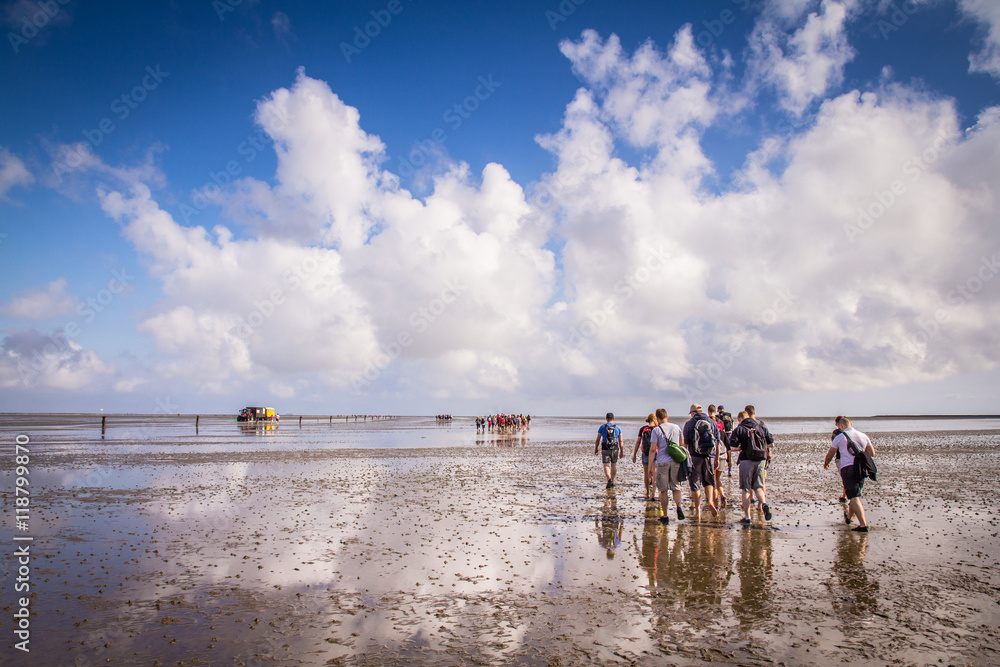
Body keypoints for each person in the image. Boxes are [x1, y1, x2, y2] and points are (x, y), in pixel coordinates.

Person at [824, 416, 875, 532]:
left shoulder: (840, 437)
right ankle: (850, 519)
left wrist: (826, 463)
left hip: (848, 468)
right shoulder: (863, 436)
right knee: (854, 495)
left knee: (854, 497)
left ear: (841, 426)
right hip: (861, 469)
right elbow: (872, 453)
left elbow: (830, 454)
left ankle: (863, 525)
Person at [730, 405, 774, 524]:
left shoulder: (740, 428)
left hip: (746, 460)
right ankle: (763, 503)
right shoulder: (761, 426)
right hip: (760, 460)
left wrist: (741, 448)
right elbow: (771, 443)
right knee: (758, 487)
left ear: (740, 419)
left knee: (746, 489)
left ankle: (747, 517)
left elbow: (732, 446)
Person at [682, 403, 721, 521]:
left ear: (693, 413)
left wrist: (686, 459)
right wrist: (717, 458)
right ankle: (710, 501)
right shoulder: (712, 423)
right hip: (709, 456)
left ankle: (698, 512)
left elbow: (686, 444)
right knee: (709, 481)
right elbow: (718, 442)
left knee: (695, 483)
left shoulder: (689, 424)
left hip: (695, 457)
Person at [647, 408, 686, 524]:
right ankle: (678, 506)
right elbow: (682, 445)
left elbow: (653, 449)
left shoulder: (656, 430)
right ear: (667, 417)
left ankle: (665, 515)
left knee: (663, 490)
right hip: (675, 461)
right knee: (676, 487)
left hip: (662, 462)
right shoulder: (676, 427)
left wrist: (650, 466)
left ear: (657, 419)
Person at [632, 413, 657, 501]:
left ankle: (647, 491)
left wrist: (634, 454)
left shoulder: (643, 429)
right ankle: (653, 492)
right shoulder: (657, 429)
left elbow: (638, 442)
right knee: (654, 472)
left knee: (646, 473)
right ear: (654, 419)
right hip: (655, 453)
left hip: (645, 453)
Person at [595, 412, 623, 488]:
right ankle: (612, 480)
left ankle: (609, 479)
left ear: (606, 418)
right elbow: (620, 440)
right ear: (613, 418)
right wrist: (621, 451)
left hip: (605, 447)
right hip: (615, 448)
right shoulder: (618, 428)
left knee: (606, 464)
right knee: (613, 464)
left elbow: (598, 439)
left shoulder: (602, 427)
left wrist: (596, 449)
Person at [708, 405, 728, 508]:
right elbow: (727, 446)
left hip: (714, 457)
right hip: (723, 456)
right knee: (718, 479)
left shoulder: (709, 431)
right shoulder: (722, 432)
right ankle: (723, 495)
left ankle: (716, 506)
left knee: (714, 482)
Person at [717, 404, 735, 475]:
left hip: (722, 434)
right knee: (728, 450)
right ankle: (729, 469)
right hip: (728, 433)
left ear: (718, 410)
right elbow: (732, 424)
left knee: (720, 450)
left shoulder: (717, 416)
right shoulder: (729, 415)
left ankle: (718, 466)